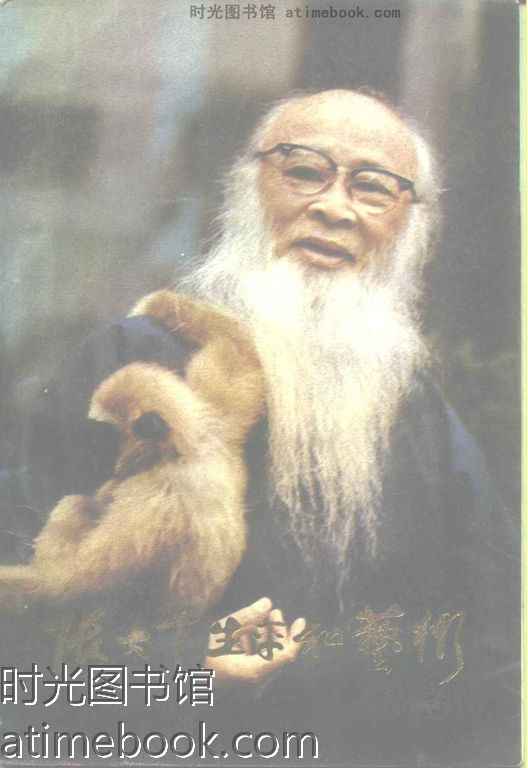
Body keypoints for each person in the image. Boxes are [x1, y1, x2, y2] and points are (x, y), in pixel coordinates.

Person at [12, 89, 520, 764]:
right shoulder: (136, 364)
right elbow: (23, 612)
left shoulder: (418, 412)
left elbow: (494, 646)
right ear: (247, 188)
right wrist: (188, 668)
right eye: (304, 171)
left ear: (410, 224)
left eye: (372, 187)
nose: (334, 207)